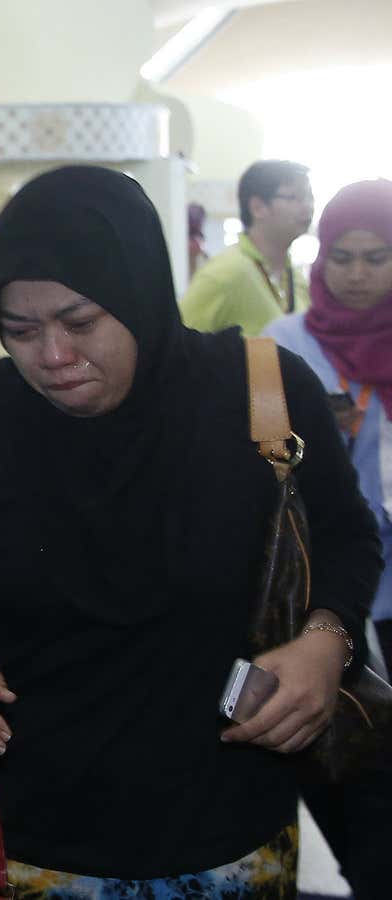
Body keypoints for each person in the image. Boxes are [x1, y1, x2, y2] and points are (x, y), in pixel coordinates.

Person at [0, 166, 380, 895]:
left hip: (229, 833)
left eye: (81, 322)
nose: (54, 357)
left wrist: (325, 645)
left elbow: (349, 537)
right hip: (32, 846)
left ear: (139, 291)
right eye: (22, 331)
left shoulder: (264, 393)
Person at [264, 178, 392, 897]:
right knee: (356, 771)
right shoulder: (284, 347)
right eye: (342, 256)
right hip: (326, 595)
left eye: (378, 257)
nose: (358, 273)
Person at [182, 160, 314, 335]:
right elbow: (177, 345)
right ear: (258, 207)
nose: (308, 206)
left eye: (309, 197)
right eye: (294, 197)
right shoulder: (226, 274)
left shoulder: (296, 277)